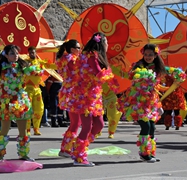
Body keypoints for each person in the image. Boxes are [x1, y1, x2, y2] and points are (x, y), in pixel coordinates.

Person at [118, 44, 186, 163]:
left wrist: (179, 73)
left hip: (151, 102)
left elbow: (171, 71)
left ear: (155, 55)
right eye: (146, 54)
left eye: (150, 55)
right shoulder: (138, 66)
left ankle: (150, 152)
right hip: (138, 102)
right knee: (146, 126)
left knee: (152, 127)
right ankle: (144, 153)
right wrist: (142, 74)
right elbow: (132, 74)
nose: (148, 57)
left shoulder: (159, 68)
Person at [61, 33, 118, 166]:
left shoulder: (91, 56)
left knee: (99, 125)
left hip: (94, 96)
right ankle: (79, 157)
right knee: (86, 126)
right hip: (84, 97)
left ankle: (79, 147)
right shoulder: (91, 55)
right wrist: (112, 81)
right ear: (102, 43)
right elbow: (99, 73)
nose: (108, 45)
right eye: (107, 42)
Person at [55, 39, 82, 157]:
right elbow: (80, 72)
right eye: (79, 48)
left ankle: (66, 147)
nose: (80, 50)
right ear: (72, 49)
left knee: (75, 122)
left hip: (69, 92)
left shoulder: (65, 59)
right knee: (76, 122)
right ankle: (65, 149)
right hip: (73, 93)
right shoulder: (71, 60)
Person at [25, 46, 56, 135]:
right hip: (27, 89)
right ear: (28, 53)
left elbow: (51, 65)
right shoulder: (26, 63)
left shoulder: (39, 63)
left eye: (33, 52)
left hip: (37, 88)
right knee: (28, 109)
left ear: (36, 53)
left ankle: (36, 128)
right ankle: (27, 129)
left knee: (39, 109)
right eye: (30, 53)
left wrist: (61, 63)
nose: (32, 54)